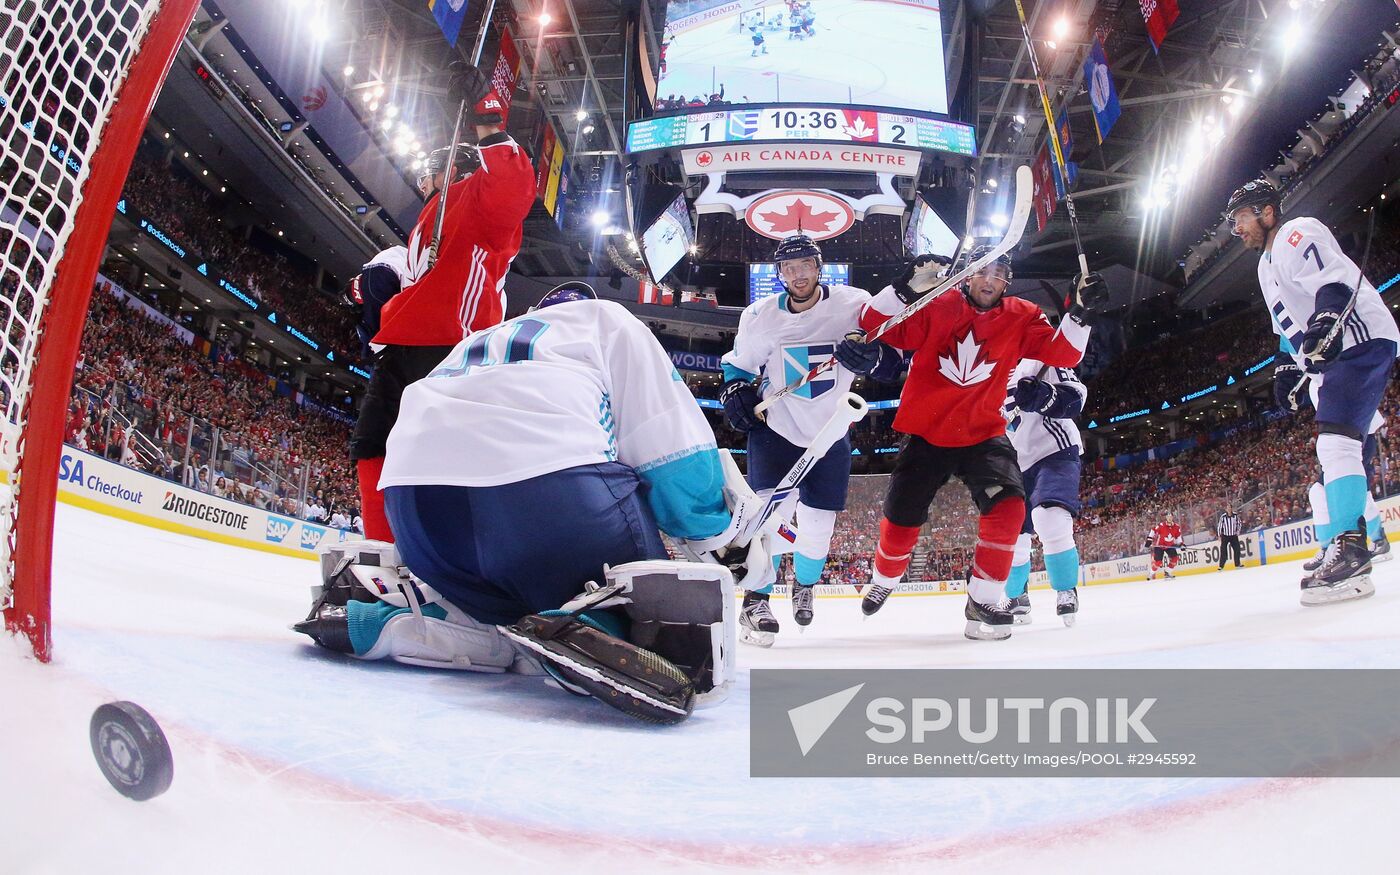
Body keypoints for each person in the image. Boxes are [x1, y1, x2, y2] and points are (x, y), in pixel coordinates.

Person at [295, 284, 750, 724]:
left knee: (489, 606)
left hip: (417, 516)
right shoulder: (606, 318)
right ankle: (594, 622)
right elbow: (672, 456)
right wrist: (721, 536)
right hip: (546, 505)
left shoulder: (476, 343)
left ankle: (429, 617)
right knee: (627, 572)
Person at [856, 247, 1100, 640]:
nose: (989, 280)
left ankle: (984, 597)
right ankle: (885, 577)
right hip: (927, 433)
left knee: (1009, 507)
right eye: (981, 271)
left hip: (984, 433)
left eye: (999, 272)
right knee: (901, 518)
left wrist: (1080, 315)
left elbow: (1063, 352)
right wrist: (902, 290)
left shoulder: (1023, 315)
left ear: (1007, 280)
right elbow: (872, 326)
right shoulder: (937, 303)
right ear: (965, 275)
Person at [350, 62, 537, 544]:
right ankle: (383, 553)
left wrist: (486, 117)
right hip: (404, 349)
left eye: (428, 173)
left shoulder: (478, 197)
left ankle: (447, 564)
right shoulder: (424, 222)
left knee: (440, 464)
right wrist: (371, 293)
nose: (420, 182)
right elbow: (399, 275)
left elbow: (515, 186)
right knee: (372, 447)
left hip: (451, 349)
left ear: (453, 167)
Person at [719, 234, 902, 642]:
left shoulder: (854, 304)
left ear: (819, 267)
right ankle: (756, 600)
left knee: (818, 527)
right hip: (777, 431)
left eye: (805, 265)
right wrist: (735, 391)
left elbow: (893, 355)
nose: (798, 274)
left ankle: (804, 587)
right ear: (779, 274)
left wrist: (874, 358)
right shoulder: (759, 315)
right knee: (767, 518)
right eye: (789, 268)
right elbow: (739, 367)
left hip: (830, 433)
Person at [1228, 178, 1399, 604]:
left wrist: (1325, 319)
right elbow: (1287, 331)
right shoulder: (1264, 267)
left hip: (1357, 340)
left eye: (1241, 219)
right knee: (1340, 455)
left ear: (1267, 212)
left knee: (1336, 444)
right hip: (1331, 364)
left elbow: (1332, 283)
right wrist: (1287, 370)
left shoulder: (1295, 232)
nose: (1237, 229)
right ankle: (1359, 540)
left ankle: (1352, 550)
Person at [1002, 358, 1087, 626]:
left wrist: (1044, 396)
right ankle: (1016, 597)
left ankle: (1065, 589)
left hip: (1054, 449)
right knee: (1012, 534)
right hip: (1013, 460)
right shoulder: (983, 368)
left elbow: (1075, 397)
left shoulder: (1039, 357)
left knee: (1049, 517)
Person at [1147, 513, 1182, 580]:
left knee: (1175, 559)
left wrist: (1181, 544)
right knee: (1158, 563)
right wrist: (1149, 540)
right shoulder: (1161, 525)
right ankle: (1151, 573)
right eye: (1168, 517)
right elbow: (1153, 530)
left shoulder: (1176, 527)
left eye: (1171, 517)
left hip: (1170, 546)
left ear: (1172, 517)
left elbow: (1178, 536)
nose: (1169, 518)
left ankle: (1167, 572)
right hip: (1159, 546)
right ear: (1166, 517)